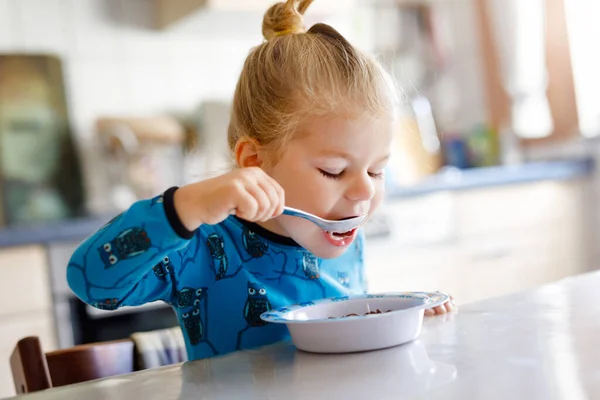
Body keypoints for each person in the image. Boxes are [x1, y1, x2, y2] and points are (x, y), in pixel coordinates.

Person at [67, 0, 454, 360]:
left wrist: (397, 319)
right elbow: (91, 282)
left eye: (376, 171)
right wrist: (184, 208)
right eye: (334, 171)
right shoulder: (204, 246)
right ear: (255, 161)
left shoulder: (342, 236)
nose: (364, 191)